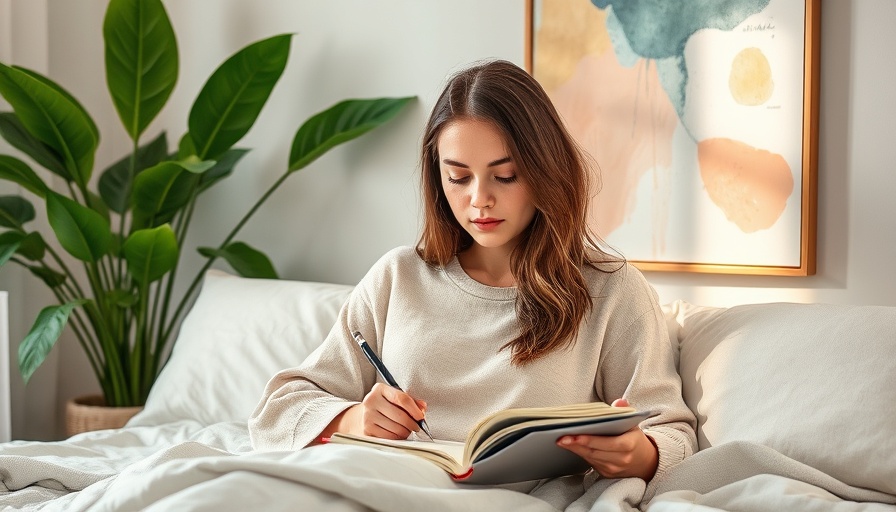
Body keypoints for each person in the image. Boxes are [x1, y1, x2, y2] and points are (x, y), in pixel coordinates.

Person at [249, 59, 696, 501]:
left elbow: (672, 433)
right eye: (458, 177)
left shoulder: (611, 290)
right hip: (381, 487)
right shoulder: (398, 277)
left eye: (505, 176)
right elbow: (276, 411)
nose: (479, 199)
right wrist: (352, 419)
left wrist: (639, 455)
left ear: (545, 170)